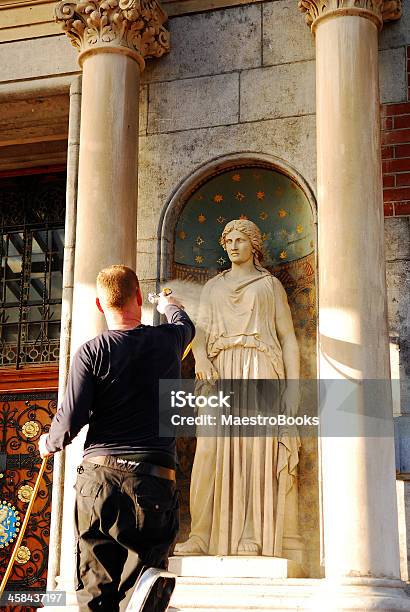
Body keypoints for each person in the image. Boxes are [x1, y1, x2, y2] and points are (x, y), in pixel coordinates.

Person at [38, 264, 195, 611]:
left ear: (99, 305)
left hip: (100, 482)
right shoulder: (167, 341)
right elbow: (185, 324)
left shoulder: (91, 352)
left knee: (96, 590)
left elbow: (68, 423)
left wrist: (47, 443)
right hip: (154, 483)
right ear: (138, 297)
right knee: (145, 591)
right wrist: (167, 302)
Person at [174, 219, 301, 557]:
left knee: (252, 452)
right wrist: (200, 358)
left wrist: (293, 387)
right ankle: (201, 534)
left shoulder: (269, 285)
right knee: (208, 452)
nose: (232, 245)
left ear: (254, 245)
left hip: (260, 367)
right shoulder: (213, 287)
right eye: (228, 239)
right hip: (218, 371)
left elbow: (288, 337)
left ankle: (251, 531)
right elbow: (196, 330)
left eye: (240, 240)